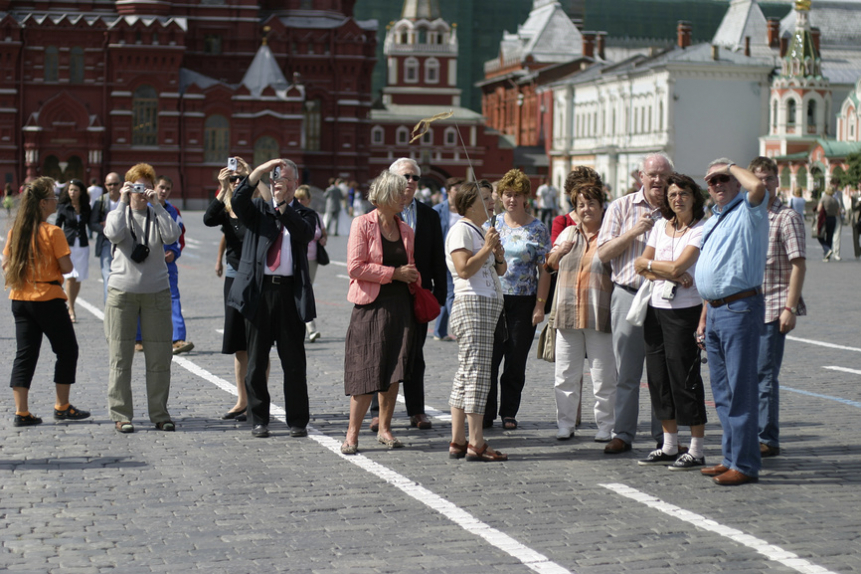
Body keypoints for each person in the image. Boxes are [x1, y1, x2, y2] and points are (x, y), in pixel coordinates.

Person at [226, 158, 316, 439]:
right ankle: (259, 418)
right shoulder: (256, 211)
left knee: (294, 363)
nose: (278, 183)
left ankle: (297, 420)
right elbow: (238, 200)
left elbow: (304, 234)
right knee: (255, 363)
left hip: (290, 295)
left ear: (295, 184)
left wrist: (282, 207)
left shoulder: (304, 214)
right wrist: (257, 173)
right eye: (274, 178)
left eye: (284, 179)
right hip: (259, 293)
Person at [695, 158, 768, 486]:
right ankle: (730, 457)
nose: (718, 185)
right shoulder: (714, 218)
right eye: (712, 181)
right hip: (715, 310)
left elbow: (758, 186)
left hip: (740, 308)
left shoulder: (749, 209)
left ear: (737, 181)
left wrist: (732, 164)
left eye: (724, 179)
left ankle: (746, 464)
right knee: (722, 392)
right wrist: (704, 315)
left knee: (741, 390)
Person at [597, 152, 672, 454]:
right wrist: (634, 232)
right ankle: (623, 433)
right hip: (628, 294)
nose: (657, 180)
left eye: (663, 175)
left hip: (667, 298)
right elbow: (603, 254)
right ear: (640, 176)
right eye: (651, 174)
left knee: (663, 371)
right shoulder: (621, 207)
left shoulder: (677, 207)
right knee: (626, 372)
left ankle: (664, 436)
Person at [634, 173, 708, 470]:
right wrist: (670, 271)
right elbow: (641, 266)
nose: (678, 199)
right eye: (673, 194)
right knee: (658, 377)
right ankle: (668, 444)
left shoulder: (700, 229)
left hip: (685, 312)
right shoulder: (661, 228)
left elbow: (678, 264)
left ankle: (697, 448)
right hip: (656, 308)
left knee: (685, 377)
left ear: (694, 197)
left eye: (684, 194)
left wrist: (662, 268)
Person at [3, 177, 91, 427]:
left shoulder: (16, 231)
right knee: (66, 350)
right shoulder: (53, 232)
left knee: (25, 354)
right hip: (48, 299)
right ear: (43, 203)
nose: (56, 200)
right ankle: (62, 406)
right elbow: (67, 267)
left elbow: (5, 264)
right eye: (53, 197)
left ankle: (22, 412)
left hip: (20, 299)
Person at [341, 171, 417, 454]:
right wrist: (395, 273)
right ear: (385, 196)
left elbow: (410, 266)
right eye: (400, 193)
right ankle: (352, 433)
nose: (405, 198)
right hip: (370, 306)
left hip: (400, 305)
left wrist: (411, 276)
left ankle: (385, 428)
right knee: (364, 369)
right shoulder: (362, 224)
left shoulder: (406, 229)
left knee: (393, 369)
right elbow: (355, 267)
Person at [368, 158, 447, 431]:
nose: (410, 182)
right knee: (383, 353)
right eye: (405, 177)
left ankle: (417, 410)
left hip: (417, 295)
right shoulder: (377, 214)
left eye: (415, 177)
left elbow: (438, 258)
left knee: (415, 355)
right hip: (385, 293)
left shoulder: (430, 215)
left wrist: (438, 295)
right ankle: (378, 411)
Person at [104, 164, 181, 433]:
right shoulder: (119, 213)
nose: (140, 192)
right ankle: (121, 414)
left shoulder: (158, 213)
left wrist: (157, 205)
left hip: (156, 294)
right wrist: (122, 200)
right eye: (136, 186)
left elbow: (172, 235)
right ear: (127, 186)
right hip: (122, 294)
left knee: (160, 358)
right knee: (120, 358)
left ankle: (160, 413)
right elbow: (112, 233)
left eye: (145, 186)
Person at [545, 180, 615, 442]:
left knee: (603, 375)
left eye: (591, 204)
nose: (586, 209)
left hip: (599, 313)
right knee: (565, 374)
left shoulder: (610, 236)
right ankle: (565, 423)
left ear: (601, 206)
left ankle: (606, 426)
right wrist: (559, 252)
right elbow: (549, 266)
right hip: (567, 313)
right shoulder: (567, 234)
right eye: (581, 205)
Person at [483, 168, 551, 430]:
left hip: (523, 301)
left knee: (515, 359)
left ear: (526, 198)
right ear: (500, 197)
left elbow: (544, 269)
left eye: (517, 195)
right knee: (490, 359)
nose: (512, 200)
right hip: (494, 299)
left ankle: (509, 411)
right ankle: (486, 412)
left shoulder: (537, 228)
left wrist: (540, 304)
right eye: (507, 195)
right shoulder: (492, 223)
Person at [446, 181, 508, 461]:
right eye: (485, 198)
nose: (492, 202)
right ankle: (476, 441)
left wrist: (497, 252)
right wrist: (486, 248)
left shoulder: (480, 230)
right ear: (470, 204)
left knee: (466, 374)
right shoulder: (461, 229)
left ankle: (458, 440)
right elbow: (464, 268)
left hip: (485, 305)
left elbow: (501, 269)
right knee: (477, 375)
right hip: (473, 304)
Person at [749, 157, 806, 459]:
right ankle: (751, 434)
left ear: (777, 182)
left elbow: (798, 265)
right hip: (744, 308)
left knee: (764, 375)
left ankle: (767, 438)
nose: (765, 184)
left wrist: (790, 307)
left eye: (770, 178)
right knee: (746, 376)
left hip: (773, 306)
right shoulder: (746, 215)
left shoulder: (787, 218)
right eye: (759, 178)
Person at [204, 157, 270, 420]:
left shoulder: (256, 206)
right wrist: (222, 188)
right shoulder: (225, 207)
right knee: (239, 342)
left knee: (259, 342)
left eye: (239, 179)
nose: (236, 182)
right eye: (233, 179)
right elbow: (209, 219)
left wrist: (253, 174)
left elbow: (270, 203)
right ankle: (242, 399)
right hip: (234, 277)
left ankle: (258, 399)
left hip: (258, 277)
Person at [150, 176, 193, 355]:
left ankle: (178, 338)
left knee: (173, 298)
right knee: (141, 298)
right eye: (161, 187)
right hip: (146, 264)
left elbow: (180, 237)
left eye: (167, 189)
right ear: (154, 187)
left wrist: (174, 253)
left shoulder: (174, 211)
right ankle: (138, 338)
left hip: (168, 264)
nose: (163, 191)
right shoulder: (144, 207)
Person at [54, 179, 90, 324]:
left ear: (80, 192)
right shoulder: (63, 207)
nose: (72, 193)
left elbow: (92, 222)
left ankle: (71, 304)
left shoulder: (86, 207)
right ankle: (71, 309)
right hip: (68, 245)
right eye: (70, 190)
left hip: (82, 245)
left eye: (75, 190)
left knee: (79, 278)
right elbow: (57, 226)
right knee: (70, 277)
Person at [432, 177, 464, 342]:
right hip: (443, 256)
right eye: (456, 189)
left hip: (460, 256)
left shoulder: (465, 209)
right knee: (451, 293)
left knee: (448, 292)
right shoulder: (438, 210)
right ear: (448, 191)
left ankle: (439, 331)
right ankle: (459, 327)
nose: (459, 192)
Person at [295, 184, 327, 342]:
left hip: (312, 258)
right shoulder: (292, 213)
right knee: (301, 291)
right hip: (295, 258)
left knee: (305, 291)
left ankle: (306, 325)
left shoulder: (315, 215)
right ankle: (310, 327)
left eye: (303, 198)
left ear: (309, 200)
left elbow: (323, 232)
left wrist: (323, 239)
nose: (300, 201)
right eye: (297, 198)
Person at [89, 172, 122, 302]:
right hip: (106, 243)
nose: (112, 187)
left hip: (124, 243)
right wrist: (106, 229)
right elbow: (92, 223)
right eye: (109, 184)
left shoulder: (128, 200)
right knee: (107, 275)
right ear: (105, 185)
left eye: (115, 184)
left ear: (120, 184)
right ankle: (109, 307)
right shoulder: (101, 201)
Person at [817, 188, 840, 261]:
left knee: (820, 236)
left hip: (824, 218)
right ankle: (827, 256)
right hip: (833, 219)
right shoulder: (835, 200)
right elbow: (838, 212)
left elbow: (819, 209)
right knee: (829, 237)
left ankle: (827, 249)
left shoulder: (823, 199)